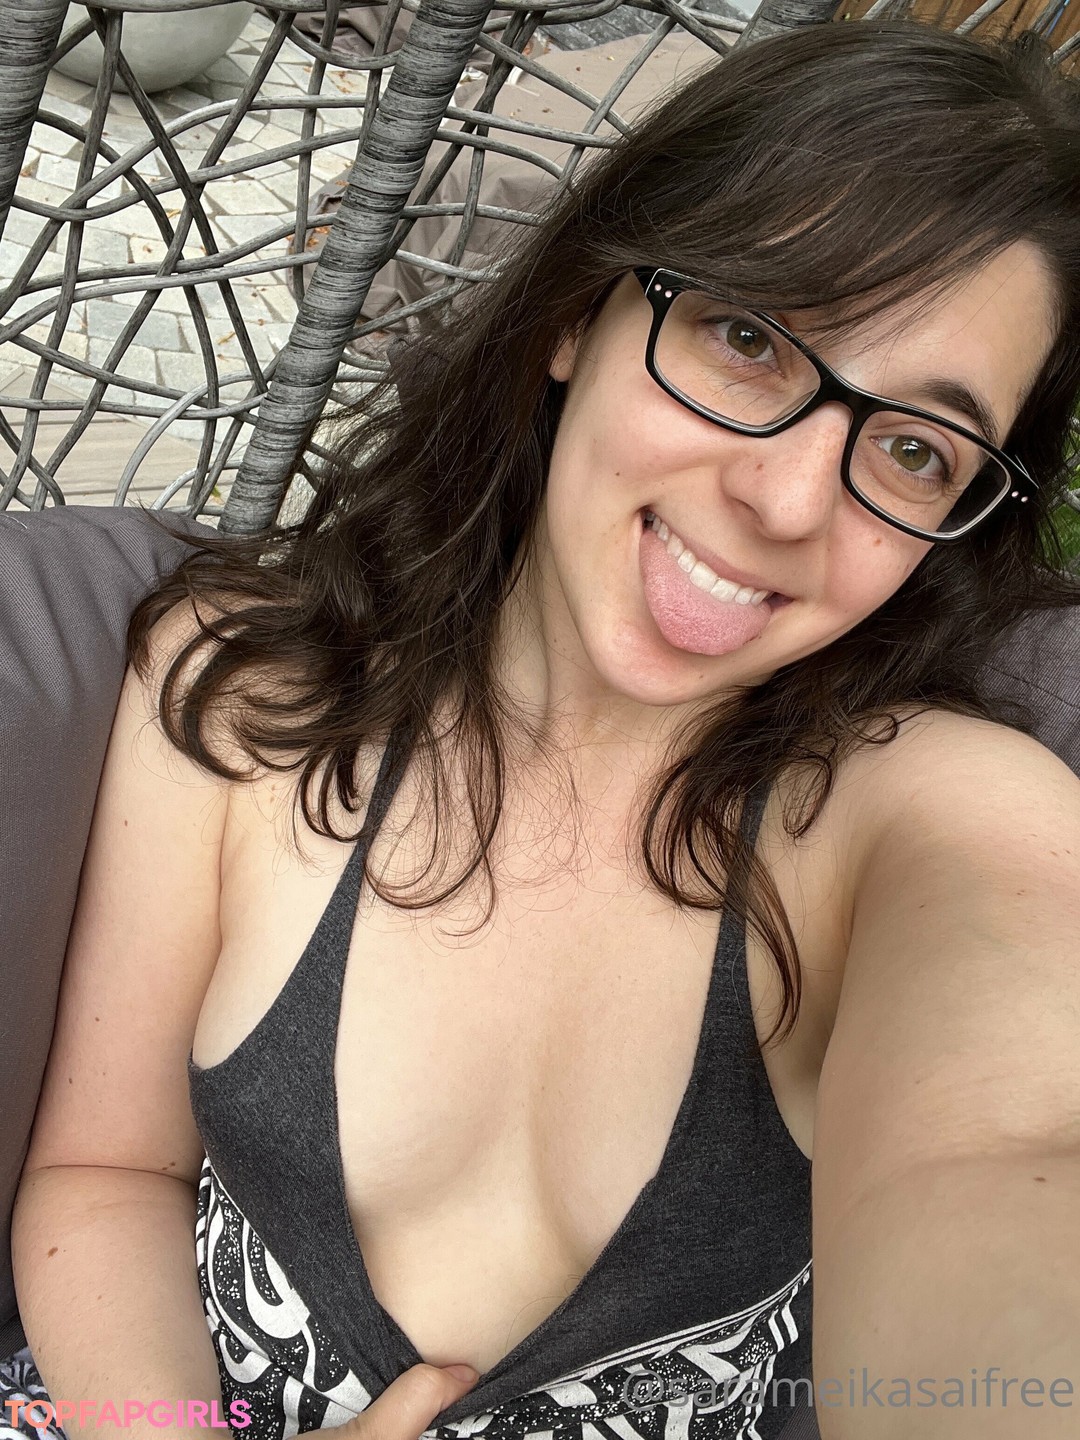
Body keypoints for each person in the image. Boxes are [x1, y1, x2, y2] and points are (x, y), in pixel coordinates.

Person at [10, 18, 1080, 1440]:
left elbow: (1012, 1152)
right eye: (750, 339)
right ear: (582, 311)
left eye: (912, 448)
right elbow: (106, 1176)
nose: (786, 502)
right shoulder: (245, 689)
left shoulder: (924, 814)